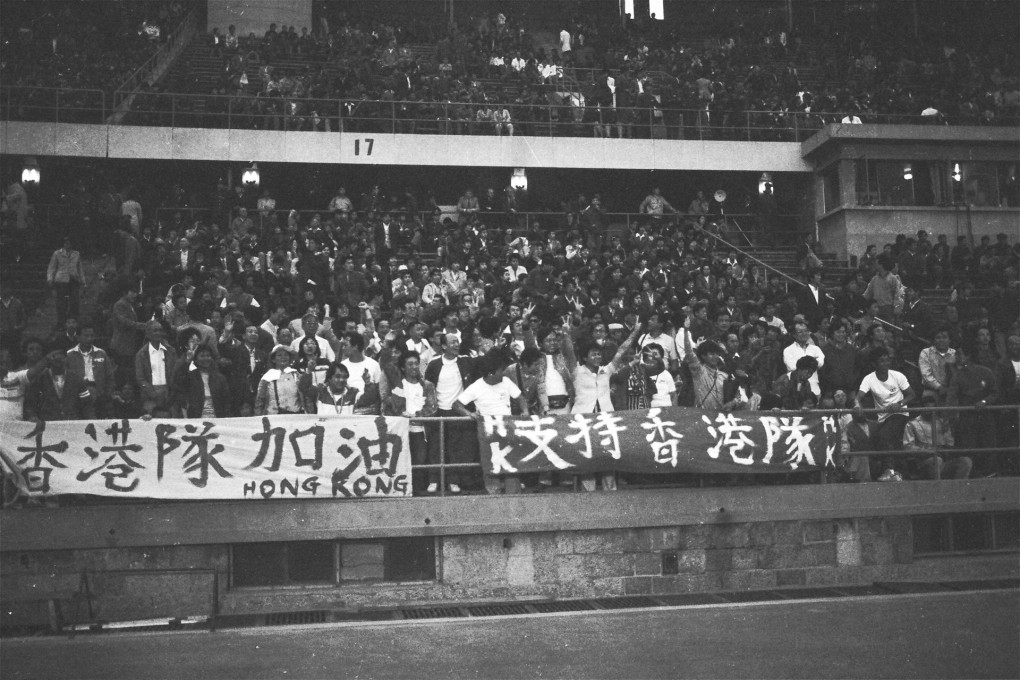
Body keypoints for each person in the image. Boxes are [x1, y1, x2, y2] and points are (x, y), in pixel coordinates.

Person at [566, 323, 642, 491]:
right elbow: (569, 353)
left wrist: (635, 331)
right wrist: (567, 333)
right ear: (584, 357)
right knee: (588, 456)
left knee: (607, 456)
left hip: (605, 419)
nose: (597, 357)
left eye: (599, 354)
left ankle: (611, 491)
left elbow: (621, 350)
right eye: (593, 354)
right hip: (583, 420)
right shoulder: (576, 371)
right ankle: (589, 492)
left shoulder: (606, 371)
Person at [454, 349, 528, 495]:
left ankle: (513, 493)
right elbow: (456, 405)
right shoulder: (476, 386)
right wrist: (469, 413)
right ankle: (493, 493)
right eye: (501, 371)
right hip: (488, 432)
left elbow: (520, 397)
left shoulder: (506, 382)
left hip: (508, 429)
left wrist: (525, 411)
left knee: (511, 463)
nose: (504, 373)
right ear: (491, 373)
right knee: (491, 463)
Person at [423, 332, 475, 493]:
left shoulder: (466, 361)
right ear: (444, 346)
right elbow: (427, 386)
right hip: (438, 411)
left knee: (455, 448)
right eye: (452, 342)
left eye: (457, 341)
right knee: (435, 447)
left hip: (457, 412)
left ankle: (453, 480)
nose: (456, 344)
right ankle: (434, 480)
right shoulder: (434, 364)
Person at [382, 350, 439, 494]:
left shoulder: (427, 385)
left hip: (420, 431)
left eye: (416, 364)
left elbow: (432, 408)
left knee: (420, 462)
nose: (414, 367)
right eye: (410, 364)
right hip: (401, 431)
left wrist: (415, 416)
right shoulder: (398, 386)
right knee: (401, 462)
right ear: (403, 367)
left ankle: (418, 494)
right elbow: (391, 406)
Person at [856, 346, 915, 474]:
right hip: (883, 417)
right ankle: (900, 472)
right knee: (887, 442)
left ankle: (890, 471)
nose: (886, 364)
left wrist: (899, 403)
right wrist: (857, 405)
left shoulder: (897, 375)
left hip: (899, 413)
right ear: (874, 364)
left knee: (885, 436)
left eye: (887, 360)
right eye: (882, 361)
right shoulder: (869, 378)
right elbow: (858, 397)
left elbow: (911, 394)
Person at [946, 343, 999, 475]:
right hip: (967, 418)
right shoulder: (957, 375)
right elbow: (951, 398)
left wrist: (984, 401)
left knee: (988, 447)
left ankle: (990, 474)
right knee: (969, 448)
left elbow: (995, 392)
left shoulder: (986, 372)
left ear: (968, 356)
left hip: (986, 416)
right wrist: (949, 417)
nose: (957, 356)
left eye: (959, 354)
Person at [902, 390, 970, 480]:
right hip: (924, 462)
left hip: (943, 460)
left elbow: (949, 444)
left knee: (966, 461)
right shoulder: (912, 424)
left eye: (931, 402)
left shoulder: (943, 423)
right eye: (925, 402)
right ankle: (937, 489)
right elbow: (908, 447)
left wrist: (945, 450)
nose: (928, 405)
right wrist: (928, 451)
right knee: (936, 461)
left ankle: (959, 491)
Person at [64, 323, 113, 419]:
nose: (89, 338)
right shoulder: (69, 355)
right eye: (86, 336)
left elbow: (110, 377)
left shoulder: (101, 353)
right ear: (78, 337)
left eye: (92, 336)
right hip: (77, 394)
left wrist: (107, 395)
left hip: (98, 394)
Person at [172, 344, 232, 418]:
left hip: (217, 418)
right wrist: (187, 361)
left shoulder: (220, 378)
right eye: (202, 356)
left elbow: (226, 401)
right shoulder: (191, 376)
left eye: (208, 355)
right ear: (196, 359)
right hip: (197, 418)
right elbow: (178, 381)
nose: (206, 358)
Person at [135, 320, 177, 417]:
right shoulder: (141, 354)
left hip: (169, 393)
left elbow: (176, 373)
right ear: (148, 334)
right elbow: (140, 378)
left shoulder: (171, 351)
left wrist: (171, 393)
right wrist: (153, 394)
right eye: (155, 330)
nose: (158, 333)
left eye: (160, 330)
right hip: (150, 395)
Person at [255, 345, 309, 415]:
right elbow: (260, 401)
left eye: (286, 355)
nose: (283, 357)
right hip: (274, 418)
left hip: (295, 417)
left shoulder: (296, 375)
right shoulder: (267, 377)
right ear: (273, 359)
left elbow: (306, 397)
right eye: (279, 355)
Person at [47, 237, 86, 327]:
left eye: (69, 243)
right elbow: (51, 267)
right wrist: (50, 278)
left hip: (74, 280)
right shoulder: (57, 253)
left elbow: (80, 268)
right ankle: (61, 322)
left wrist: (83, 281)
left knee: (74, 302)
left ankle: (73, 321)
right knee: (61, 302)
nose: (67, 245)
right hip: (61, 280)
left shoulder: (76, 254)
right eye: (66, 243)